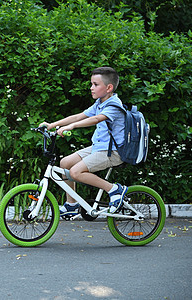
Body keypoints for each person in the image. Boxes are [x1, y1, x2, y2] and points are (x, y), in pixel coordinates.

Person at [40, 67, 127, 218]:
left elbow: (96, 119)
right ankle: (72, 205)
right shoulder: (100, 102)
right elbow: (79, 116)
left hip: (113, 152)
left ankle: (114, 189)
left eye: (95, 84)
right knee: (65, 163)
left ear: (109, 87)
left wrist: (72, 127)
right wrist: (52, 125)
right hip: (99, 148)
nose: (91, 88)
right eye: (91, 84)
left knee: (75, 172)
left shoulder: (114, 105)